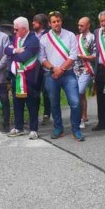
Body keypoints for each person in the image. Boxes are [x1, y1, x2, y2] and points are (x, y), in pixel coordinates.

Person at [39, 11, 83, 141]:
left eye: (58, 21)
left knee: (75, 102)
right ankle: (58, 128)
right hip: (51, 74)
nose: (56, 23)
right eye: (53, 22)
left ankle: (76, 130)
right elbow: (41, 58)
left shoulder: (70, 35)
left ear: (61, 21)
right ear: (49, 23)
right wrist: (54, 68)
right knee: (54, 103)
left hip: (68, 74)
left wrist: (62, 69)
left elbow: (73, 55)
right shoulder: (44, 38)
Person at [4, 16, 41, 139]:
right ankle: (18, 127)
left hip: (30, 78)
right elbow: (6, 50)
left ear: (24, 29)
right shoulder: (16, 38)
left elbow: (23, 57)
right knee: (17, 102)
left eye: (16, 29)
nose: (14, 32)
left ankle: (34, 129)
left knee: (32, 104)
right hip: (17, 77)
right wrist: (16, 50)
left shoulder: (33, 40)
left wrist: (13, 54)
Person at [74, 17, 95, 129]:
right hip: (75, 69)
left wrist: (82, 56)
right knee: (81, 95)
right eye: (78, 25)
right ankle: (84, 117)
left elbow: (95, 55)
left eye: (82, 25)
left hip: (87, 69)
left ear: (88, 25)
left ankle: (79, 119)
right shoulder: (76, 37)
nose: (79, 27)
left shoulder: (93, 37)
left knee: (79, 92)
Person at [32, 13, 51, 123]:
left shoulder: (48, 34)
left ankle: (47, 113)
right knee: (35, 91)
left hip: (45, 65)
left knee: (46, 91)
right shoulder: (31, 35)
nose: (33, 23)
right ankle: (35, 113)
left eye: (35, 21)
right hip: (34, 66)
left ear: (41, 24)